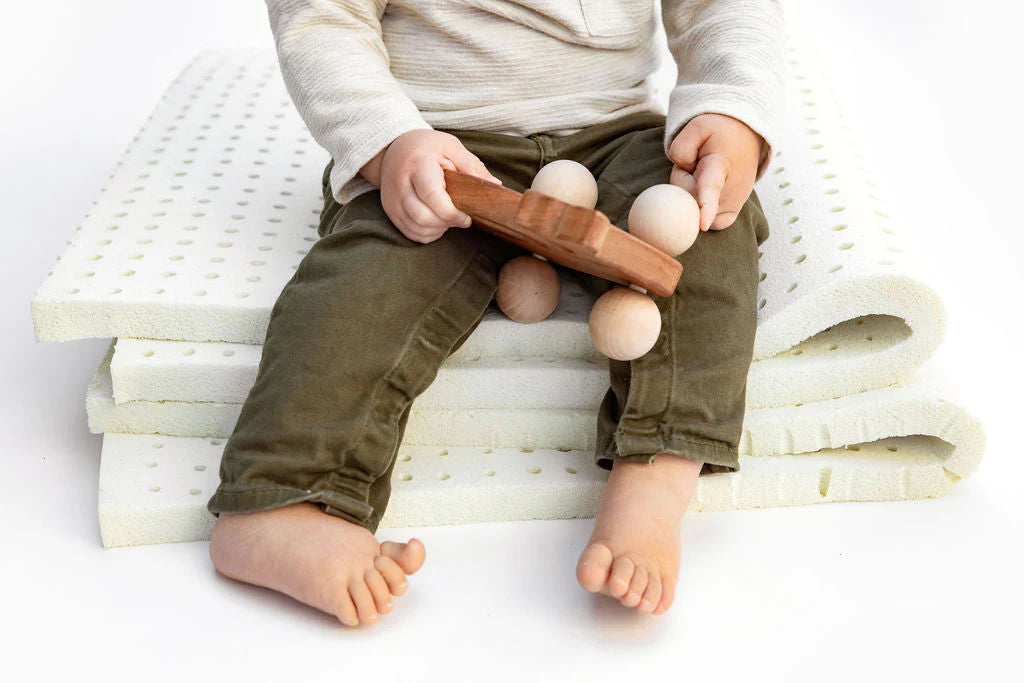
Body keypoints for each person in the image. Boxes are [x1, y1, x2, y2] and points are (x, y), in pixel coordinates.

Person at [207, 0, 783, 628]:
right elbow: (324, 19)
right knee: (362, 288)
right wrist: (388, 139)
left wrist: (731, 109)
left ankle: (657, 473)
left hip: (620, 134)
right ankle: (284, 495)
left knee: (705, 229)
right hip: (442, 152)